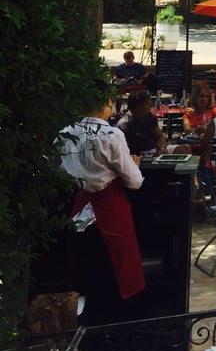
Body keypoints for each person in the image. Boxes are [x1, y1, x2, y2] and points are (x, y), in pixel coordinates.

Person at [57, 84, 145, 326]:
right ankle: (115, 335)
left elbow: (60, 171)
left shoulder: (65, 133)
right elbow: (134, 182)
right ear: (106, 103)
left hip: (79, 214)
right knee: (115, 280)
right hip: (110, 214)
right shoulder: (110, 135)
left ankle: (90, 335)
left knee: (88, 278)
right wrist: (135, 166)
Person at [117, 90, 166, 155]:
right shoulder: (124, 125)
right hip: (139, 155)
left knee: (182, 148)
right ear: (137, 106)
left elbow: (159, 136)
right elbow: (124, 150)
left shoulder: (150, 116)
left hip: (155, 150)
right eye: (147, 104)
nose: (150, 106)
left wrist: (161, 149)